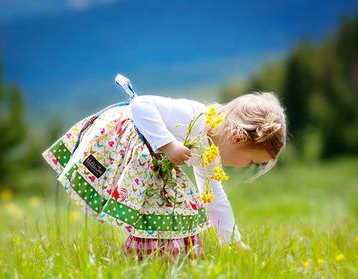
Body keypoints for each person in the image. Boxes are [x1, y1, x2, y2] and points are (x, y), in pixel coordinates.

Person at [41, 73, 286, 260]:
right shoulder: (194, 116)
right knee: (164, 202)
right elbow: (140, 105)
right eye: (252, 161)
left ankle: (158, 255)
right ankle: (152, 254)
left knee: (175, 205)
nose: (246, 166)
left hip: (152, 158)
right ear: (239, 138)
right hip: (128, 136)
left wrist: (232, 241)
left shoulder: (210, 152)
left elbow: (213, 197)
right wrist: (168, 145)